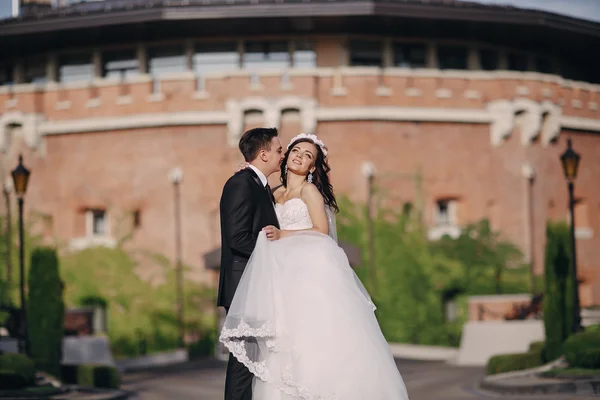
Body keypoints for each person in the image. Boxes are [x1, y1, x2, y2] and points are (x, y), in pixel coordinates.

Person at [220, 133, 410, 400]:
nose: (298, 155)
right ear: (284, 157)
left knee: (311, 338)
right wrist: (248, 174)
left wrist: (284, 235)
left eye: (307, 155)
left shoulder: (309, 191)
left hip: (305, 270)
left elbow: (321, 230)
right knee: (280, 345)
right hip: (278, 275)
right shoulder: (271, 191)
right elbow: (251, 206)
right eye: (295, 150)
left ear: (312, 168)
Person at [218, 127, 284, 400]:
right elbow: (238, 238)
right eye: (279, 150)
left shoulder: (258, 185)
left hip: (255, 285)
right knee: (243, 365)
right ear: (264, 154)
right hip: (244, 285)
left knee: (251, 362)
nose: (282, 155)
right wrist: (278, 255)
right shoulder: (241, 183)